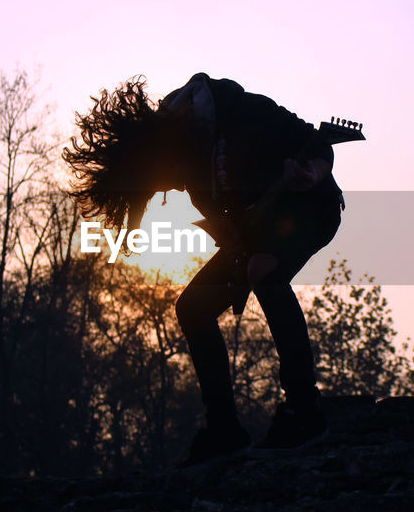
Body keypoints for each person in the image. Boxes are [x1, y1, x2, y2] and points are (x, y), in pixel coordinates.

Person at [63, 73, 344, 466]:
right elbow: (229, 224)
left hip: (311, 208)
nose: (172, 188)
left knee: (263, 269)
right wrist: (229, 235)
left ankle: (305, 412)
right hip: (258, 234)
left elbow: (314, 141)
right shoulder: (189, 171)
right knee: (192, 308)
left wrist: (313, 171)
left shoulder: (240, 111)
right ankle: (224, 430)